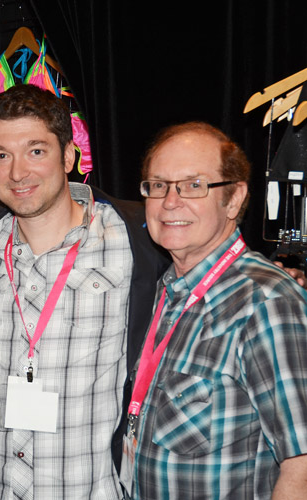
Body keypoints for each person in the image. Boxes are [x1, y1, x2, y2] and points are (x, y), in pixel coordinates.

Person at [0, 84, 169, 499]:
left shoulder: (135, 237)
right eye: (1, 155)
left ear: (69, 156)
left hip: (87, 487)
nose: (18, 173)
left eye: (36, 151)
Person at [123, 122, 307, 499]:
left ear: (234, 199)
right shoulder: (159, 291)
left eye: (194, 185)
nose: (170, 201)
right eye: (158, 185)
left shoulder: (267, 303)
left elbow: (301, 468)